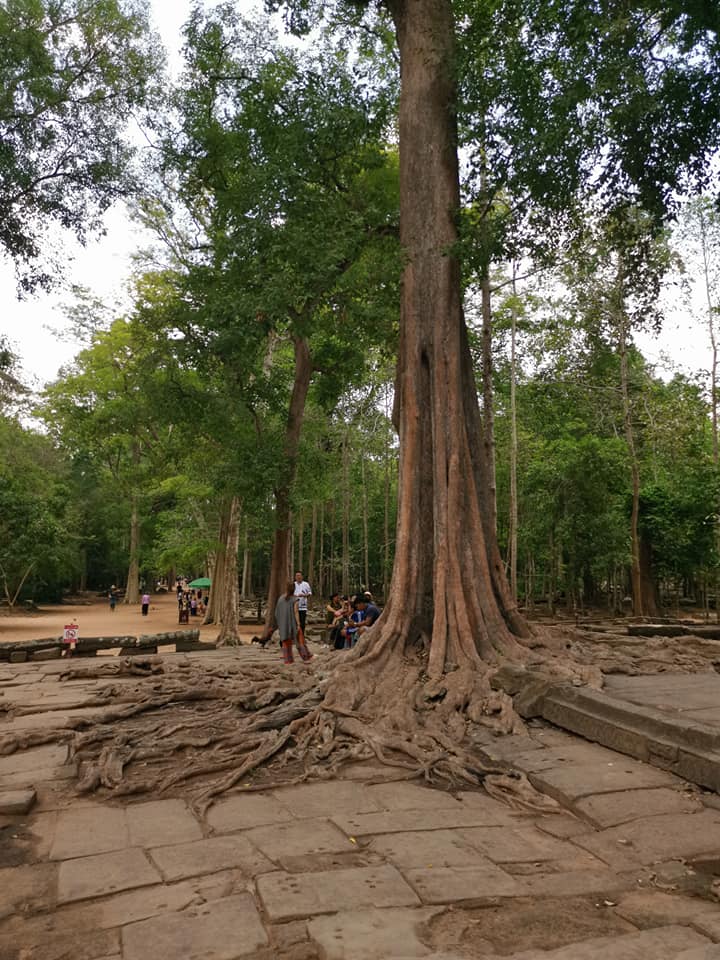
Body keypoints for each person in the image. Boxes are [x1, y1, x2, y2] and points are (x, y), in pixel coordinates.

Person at [275, 581, 312, 664]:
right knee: (300, 640)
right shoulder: (295, 599)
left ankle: (288, 660)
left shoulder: (280, 599)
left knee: (286, 641)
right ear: (294, 588)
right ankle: (306, 656)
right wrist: (298, 624)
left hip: (283, 625)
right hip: (293, 624)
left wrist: (280, 623)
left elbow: (277, 612)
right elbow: (296, 612)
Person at [293, 571, 312, 636]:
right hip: (294, 606)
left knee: (302, 623)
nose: (298, 577)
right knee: (294, 622)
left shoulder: (306, 584)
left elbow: (309, 593)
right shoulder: (293, 584)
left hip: (303, 607)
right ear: (295, 577)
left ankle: (302, 636)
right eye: (297, 575)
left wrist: (304, 595)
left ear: (302, 576)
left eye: (299, 575)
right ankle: (295, 636)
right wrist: (294, 596)